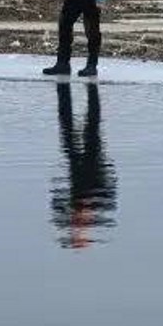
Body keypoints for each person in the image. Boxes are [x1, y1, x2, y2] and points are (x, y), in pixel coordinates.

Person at [50, 82, 117, 249]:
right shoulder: (102, 205)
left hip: (88, 164)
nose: (77, 220)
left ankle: (91, 89)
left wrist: (71, 219)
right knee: (72, 126)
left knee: (90, 126)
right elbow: (112, 185)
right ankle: (82, 91)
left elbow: (56, 200)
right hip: (84, 164)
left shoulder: (95, 206)